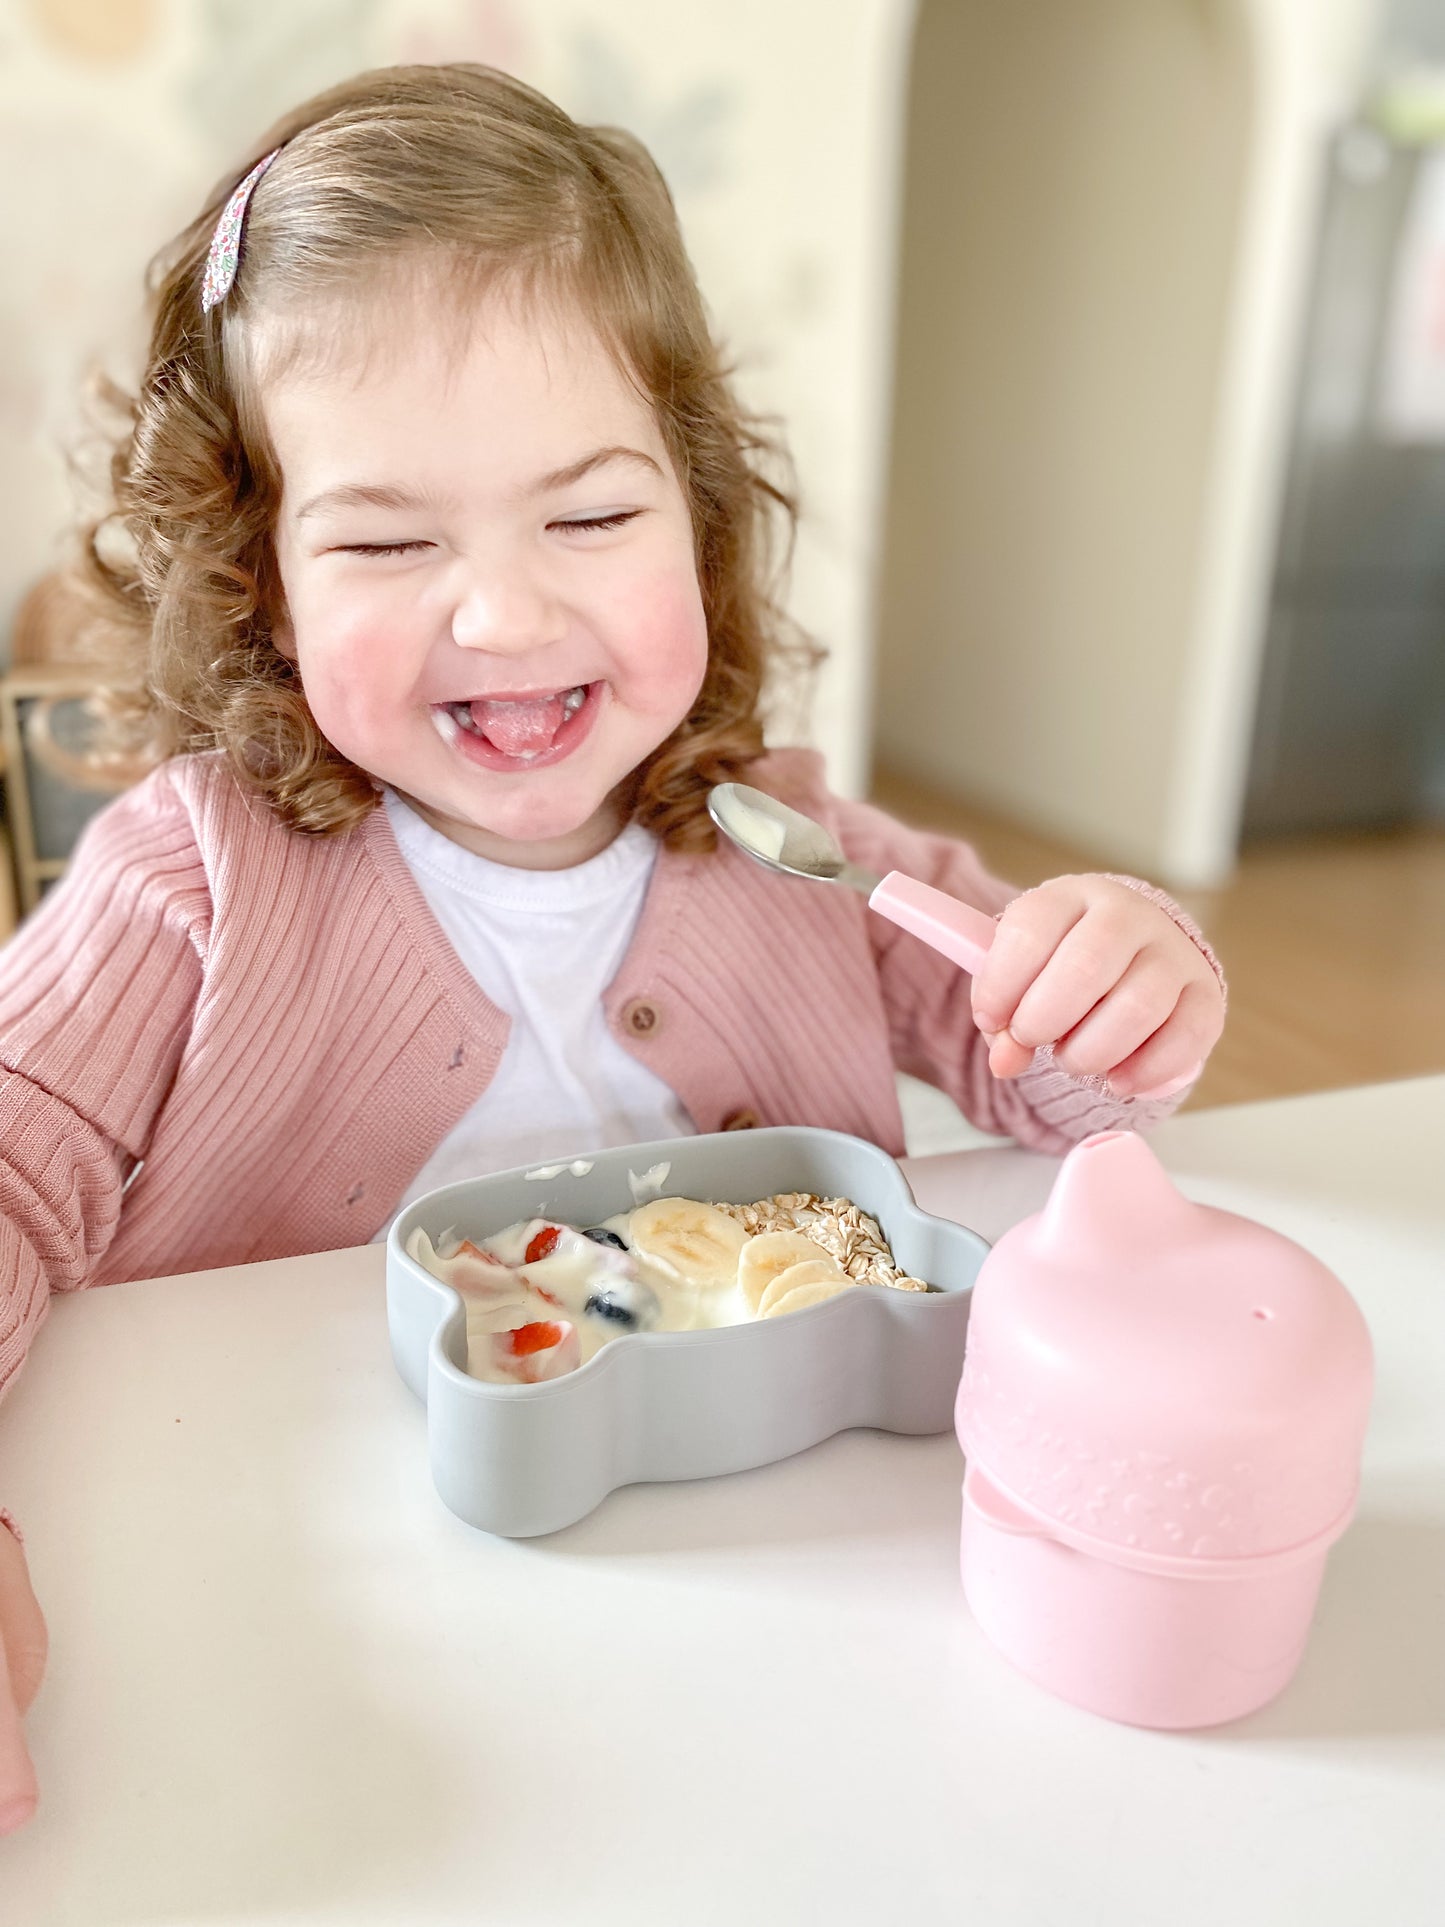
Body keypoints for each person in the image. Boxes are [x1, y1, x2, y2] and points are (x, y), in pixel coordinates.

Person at [0, 63, 1225, 1834]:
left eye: (588, 515)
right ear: (261, 578)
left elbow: (1051, 1087)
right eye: (386, 539)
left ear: (697, 515)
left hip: (795, 1641)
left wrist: (1116, 976)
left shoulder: (793, 843)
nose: (505, 613)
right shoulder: (190, 880)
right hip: (325, 1664)